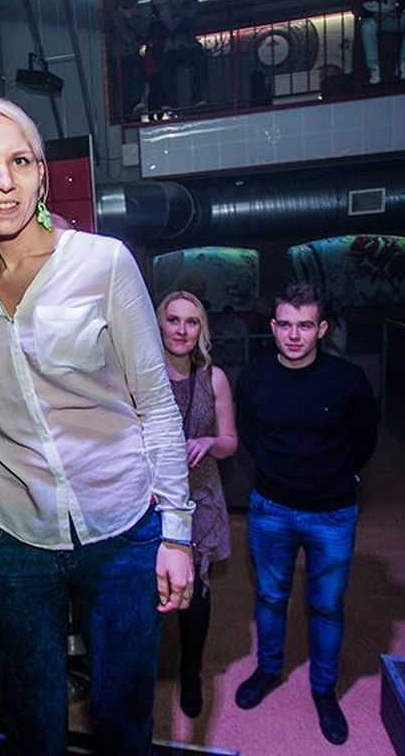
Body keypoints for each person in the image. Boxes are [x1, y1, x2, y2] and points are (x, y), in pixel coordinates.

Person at [0, 97, 194, 755]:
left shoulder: (103, 263)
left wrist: (177, 531)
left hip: (121, 530)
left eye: (20, 161)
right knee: (32, 726)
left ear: (42, 175)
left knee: (124, 721)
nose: (3, 182)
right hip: (12, 540)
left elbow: (157, 404)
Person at [233, 283, 377, 746]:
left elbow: (365, 440)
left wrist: (334, 477)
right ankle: (268, 670)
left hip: (332, 513)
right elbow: (249, 434)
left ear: (322, 329)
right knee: (270, 596)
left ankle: (323, 689)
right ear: (273, 327)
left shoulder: (348, 380)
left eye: (305, 325)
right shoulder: (253, 378)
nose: (294, 335)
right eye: (286, 325)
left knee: (327, 605)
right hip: (271, 508)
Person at [157, 291, 237, 718]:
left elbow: (230, 441)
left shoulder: (214, 378)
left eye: (191, 322)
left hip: (201, 495)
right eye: (173, 320)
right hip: (150, 494)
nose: (182, 330)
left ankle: (191, 671)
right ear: (159, 324)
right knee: (144, 587)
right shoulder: (142, 374)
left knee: (197, 590)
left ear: (201, 330)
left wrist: (209, 442)